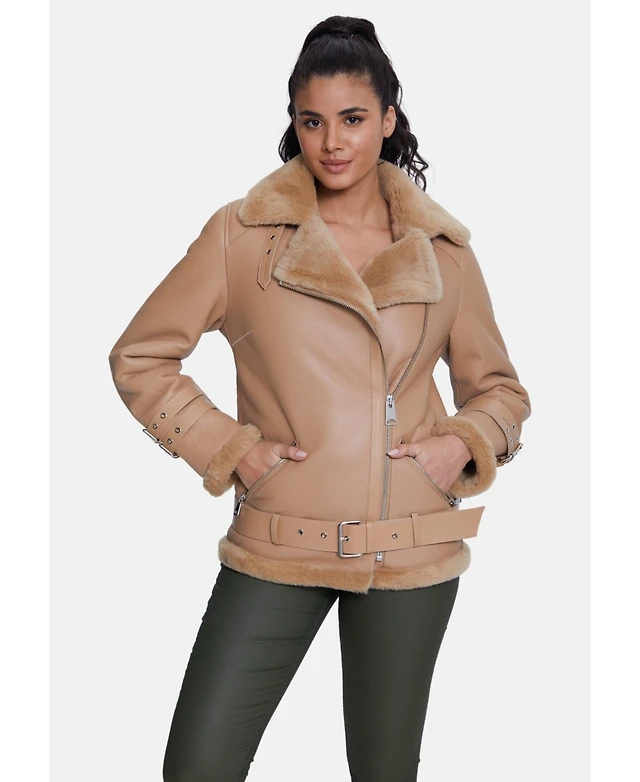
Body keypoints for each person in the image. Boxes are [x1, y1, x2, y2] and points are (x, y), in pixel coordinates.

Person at [108, 14, 531, 782]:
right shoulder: (243, 237)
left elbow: (500, 391)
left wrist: (459, 445)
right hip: (280, 537)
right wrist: (229, 449)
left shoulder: (444, 253)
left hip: (410, 548)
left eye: (353, 119)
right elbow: (140, 356)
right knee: (197, 765)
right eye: (312, 121)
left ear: (389, 120)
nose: (333, 142)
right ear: (295, 124)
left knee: (384, 772)